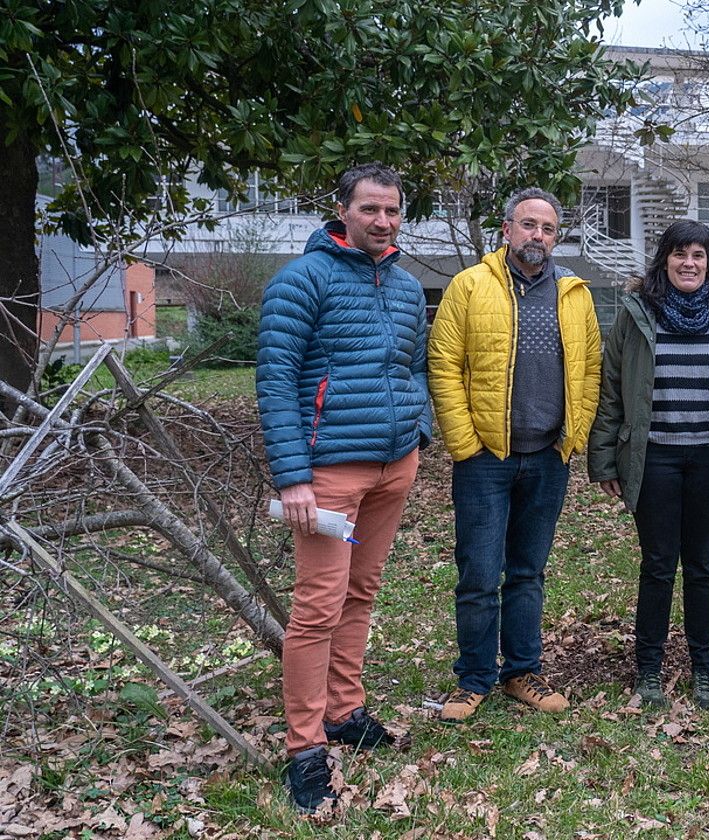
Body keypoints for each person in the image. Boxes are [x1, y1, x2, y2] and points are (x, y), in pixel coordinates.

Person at [256, 163, 431, 814]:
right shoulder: (303, 281)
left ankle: (344, 711)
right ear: (343, 210)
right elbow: (275, 382)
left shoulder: (410, 288)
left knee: (361, 593)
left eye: (392, 211)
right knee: (316, 609)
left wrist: (420, 430)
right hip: (327, 474)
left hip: (394, 468)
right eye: (370, 210)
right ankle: (305, 749)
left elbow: (414, 367)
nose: (382, 222)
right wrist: (293, 477)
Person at [428, 187, 601, 721]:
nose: (538, 237)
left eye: (547, 229)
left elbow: (590, 368)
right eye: (529, 226)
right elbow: (443, 363)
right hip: (484, 459)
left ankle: (522, 671)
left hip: (547, 456)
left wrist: (572, 438)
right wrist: (464, 442)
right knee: (479, 572)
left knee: (527, 571)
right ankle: (474, 677)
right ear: (506, 230)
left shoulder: (574, 294)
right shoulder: (470, 285)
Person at [588, 220, 709, 710]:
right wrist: (604, 459)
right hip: (655, 459)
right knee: (657, 565)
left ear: (708, 261)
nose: (688, 263)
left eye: (698, 254)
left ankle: (704, 670)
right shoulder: (637, 312)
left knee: (702, 567)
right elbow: (612, 390)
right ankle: (648, 669)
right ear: (663, 258)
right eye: (679, 254)